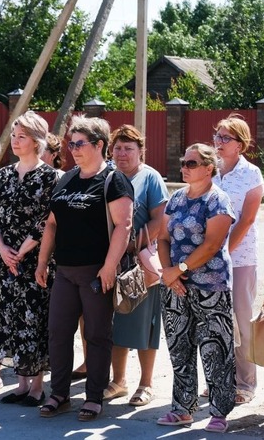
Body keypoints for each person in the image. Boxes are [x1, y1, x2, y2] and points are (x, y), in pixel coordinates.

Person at [35, 116, 133, 421]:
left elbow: (124, 225)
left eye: (80, 143)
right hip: (64, 270)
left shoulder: (113, 180)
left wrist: (109, 266)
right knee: (58, 332)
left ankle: (94, 397)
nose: (73, 149)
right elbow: (52, 224)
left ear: (99, 144)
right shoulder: (66, 179)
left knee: (97, 335)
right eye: (71, 144)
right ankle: (59, 394)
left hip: (95, 271)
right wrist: (42, 262)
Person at [157, 143, 236, 434]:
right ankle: (182, 409)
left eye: (191, 163)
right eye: (184, 162)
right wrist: (169, 274)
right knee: (179, 347)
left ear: (208, 168)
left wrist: (178, 270)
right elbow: (162, 238)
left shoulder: (218, 200)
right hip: (175, 286)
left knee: (216, 349)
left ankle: (219, 412)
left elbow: (212, 244)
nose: (184, 168)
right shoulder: (176, 198)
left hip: (210, 285)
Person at [0, 111, 58, 402]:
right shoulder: (4, 174)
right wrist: (3, 250)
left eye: (22, 137)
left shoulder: (50, 176)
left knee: (34, 319)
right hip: (7, 261)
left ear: (37, 141)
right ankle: (21, 384)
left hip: (35, 260)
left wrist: (23, 250)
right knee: (11, 319)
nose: (15, 141)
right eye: (14, 136)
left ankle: (37, 387)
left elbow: (47, 219)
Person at [106, 125, 169, 406]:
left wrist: (132, 245)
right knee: (115, 322)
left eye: (128, 148)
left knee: (145, 323)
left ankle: (146, 383)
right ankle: (118, 381)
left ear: (141, 151)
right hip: (109, 261)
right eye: (117, 148)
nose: (122, 154)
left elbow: (161, 219)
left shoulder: (150, 177)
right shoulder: (108, 175)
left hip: (138, 261)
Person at [211, 115, 264, 405]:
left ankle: (245, 383)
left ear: (240, 145)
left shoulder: (251, 174)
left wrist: (222, 251)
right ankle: (219, 379)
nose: (219, 142)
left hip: (240, 259)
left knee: (241, 320)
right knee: (215, 320)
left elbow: (247, 220)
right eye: (217, 136)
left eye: (225, 138)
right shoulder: (209, 169)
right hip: (208, 259)